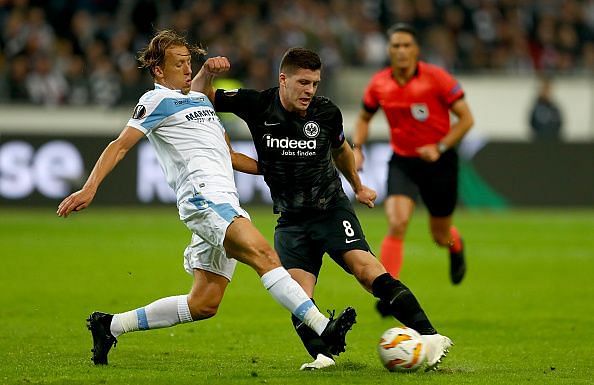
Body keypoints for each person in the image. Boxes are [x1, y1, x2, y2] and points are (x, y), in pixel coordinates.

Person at [56, 30, 357, 366]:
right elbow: (120, 145)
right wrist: (90, 186)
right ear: (159, 70)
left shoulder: (200, 101)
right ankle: (323, 328)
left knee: (204, 303)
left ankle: (110, 324)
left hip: (225, 199)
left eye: (190, 62)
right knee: (265, 255)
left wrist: (279, 166)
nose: (188, 69)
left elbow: (227, 154)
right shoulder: (155, 101)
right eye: (179, 64)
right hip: (203, 199)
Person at [194, 47, 453, 371]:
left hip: (330, 210)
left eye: (315, 83)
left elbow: (342, 150)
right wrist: (207, 72)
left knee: (365, 270)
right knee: (297, 294)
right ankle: (322, 357)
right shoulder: (256, 103)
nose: (310, 91)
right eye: (303, 82)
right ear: (283, 78)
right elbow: (199, 95)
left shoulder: (326, 113)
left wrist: (357, 186)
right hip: (290, 220)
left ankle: (431, 336)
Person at [352, 23, 474, 292]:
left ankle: (456, 243)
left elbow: (466, 120)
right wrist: (357, 147)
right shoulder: (380, 83)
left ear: (416, 50)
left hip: (439, 163)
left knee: (440, 235)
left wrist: (439, 147)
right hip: (403, 161)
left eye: (407, 45)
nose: (401, 50)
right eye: (396, 45)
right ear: (389, 50)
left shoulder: (438, 78)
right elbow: (363, 118)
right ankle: (388, 290)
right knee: (397, 222)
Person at [529, 75, 562, 141]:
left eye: (548, 89)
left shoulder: (554, 108)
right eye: (544, 89)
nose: (547, 92)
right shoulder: (536, 108)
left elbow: (559, 123)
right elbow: (532, 123)